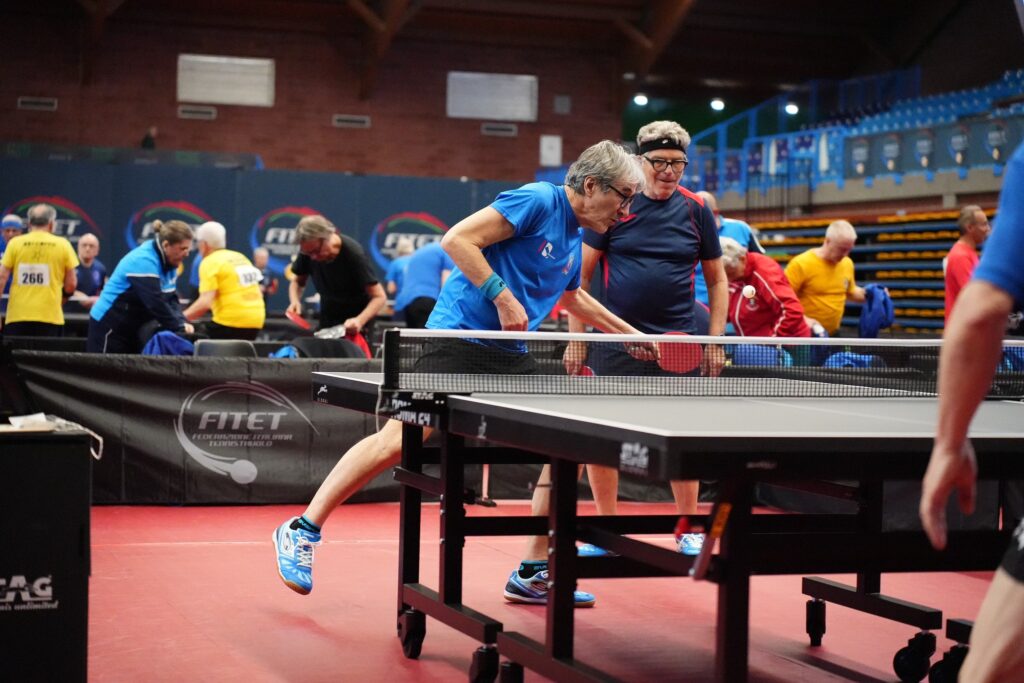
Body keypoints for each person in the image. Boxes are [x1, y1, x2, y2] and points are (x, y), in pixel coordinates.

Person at [274, 140, 652, 608]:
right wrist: (502, 296)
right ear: (591, 185)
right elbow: (457, 239)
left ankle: (533, 570)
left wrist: (626, 333)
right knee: (400, 440)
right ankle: (301, 529)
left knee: (567, 441)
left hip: (508, 352)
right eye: (624, 196)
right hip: (456, 339)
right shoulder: (538, 200)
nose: (627, 210)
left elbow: (571, 296)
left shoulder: (575, 235)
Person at [562, 121, 728, 558]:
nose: (669, 171)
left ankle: (688, 528)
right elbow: (579, 278)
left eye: (678, 163)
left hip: (678, 343)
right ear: (641, 161)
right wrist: (577, 338)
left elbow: (717, 280)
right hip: (615, 342)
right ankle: (607, 531)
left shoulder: (696, 210)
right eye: (660, 162)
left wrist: (715, 341)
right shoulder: (618, 205)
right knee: (603, 440)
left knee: (683, 437)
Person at [920, 141, 1024, 683]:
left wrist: (950, 441)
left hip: (976, 348)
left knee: (986, 671)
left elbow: (983, 311)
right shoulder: (961, 256)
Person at [87, 220, 195, 353]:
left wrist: (183, 322)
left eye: (188, 249)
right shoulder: (143, 260)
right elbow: (155, 302)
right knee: (104, 367)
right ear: (166, 245)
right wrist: (179, 327)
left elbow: (171, 299)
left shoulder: (171, 262)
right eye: (183, 249)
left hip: (132, 326)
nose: (187, 254)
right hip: (108, 324)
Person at [287, 215, 387, 341]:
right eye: (308, 253)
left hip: (357, 327)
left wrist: (359, 320)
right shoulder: (308, 251)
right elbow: (297, 282)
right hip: (327, 321)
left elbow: (379, 297)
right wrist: (295, 301)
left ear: (327, 237)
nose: (313, 257)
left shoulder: (354, 254)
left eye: (316, 251)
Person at [0, 204, 78, 337]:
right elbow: (71, 284)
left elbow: (1, 278)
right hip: (50, 317)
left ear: (29, 224)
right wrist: (59, 301)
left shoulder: (14, 244)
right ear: (51, 224)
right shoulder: (63, 245)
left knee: (17, 351)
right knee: (47, 352)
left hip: (18, 317)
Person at [182, 221, 266, 340]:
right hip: (256, 322)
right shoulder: (241, 257)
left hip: (229, 324)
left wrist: (180, 318)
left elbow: (205, 303)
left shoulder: (209, 261)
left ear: (204, 244)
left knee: (182, 333)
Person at [784, 219, 866, 335]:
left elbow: (851, 291)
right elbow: (783, 300)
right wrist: (804, 319)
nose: (845, 254)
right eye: (841, 249)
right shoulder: (801, 264)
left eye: (849, 250)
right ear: (827, 241)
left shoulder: (847, 263)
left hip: (833, 334)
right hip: (805, 334)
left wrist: (872, 294)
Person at [719, 237, 810, 337]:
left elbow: (792, 310)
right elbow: (728, 310)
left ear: (742, 259)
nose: (729, 279)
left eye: (731, 273)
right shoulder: (737, 273)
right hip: (752, 341)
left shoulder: (765, 272)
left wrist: (773, 340)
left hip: (784, 342)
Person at [693, 190, 764, 309]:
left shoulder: (741, 228)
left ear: (715, 212)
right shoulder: (687, 234)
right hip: (699, 306)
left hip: (737, 305)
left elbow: (760, 263)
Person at [944, 204, 991, 321]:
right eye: (984, 224)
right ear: (970, 228)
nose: (988, 229)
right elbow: (974, 296)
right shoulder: (961, 256)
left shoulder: (969, 253)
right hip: (964, 326)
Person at [391, 241, 454, 328]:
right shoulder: (446, 250)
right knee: (429, 335)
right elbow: (446, 284)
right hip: (426, 300)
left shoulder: (421, 251)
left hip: (408, 302)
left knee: (414, 335)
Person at [69, 233, 107, 311]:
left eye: (91, 246)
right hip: (70, 313)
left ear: (97, 250)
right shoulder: (70, 266)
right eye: (84, 245)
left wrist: (95, 300)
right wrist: (82, 297)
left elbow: (103, 290)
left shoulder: (101, 269)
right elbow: (64, 287)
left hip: (91, 313)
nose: (87, 249)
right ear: (78, 247)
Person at [1, 214, 25, 314]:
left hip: (21, 297)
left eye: (14, 231)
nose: (10, 234)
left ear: (20, 232)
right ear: (2, 232)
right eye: (7, 230)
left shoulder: (27, 247)